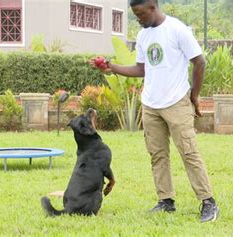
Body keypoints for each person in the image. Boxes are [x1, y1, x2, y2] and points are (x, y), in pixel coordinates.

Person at [90, 0, 219, 223]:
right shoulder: (143, 36)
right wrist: (112, 67)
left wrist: (194, 97)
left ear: (152, 7)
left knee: (189, 152)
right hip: (151, 105)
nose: (138, 19)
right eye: (135, 15)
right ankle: (166, 201)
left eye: (140, 14)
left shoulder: (177, 29)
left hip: (177, 102)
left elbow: (200, 62)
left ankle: (208, 202)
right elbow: (141, 68)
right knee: (157, 155)